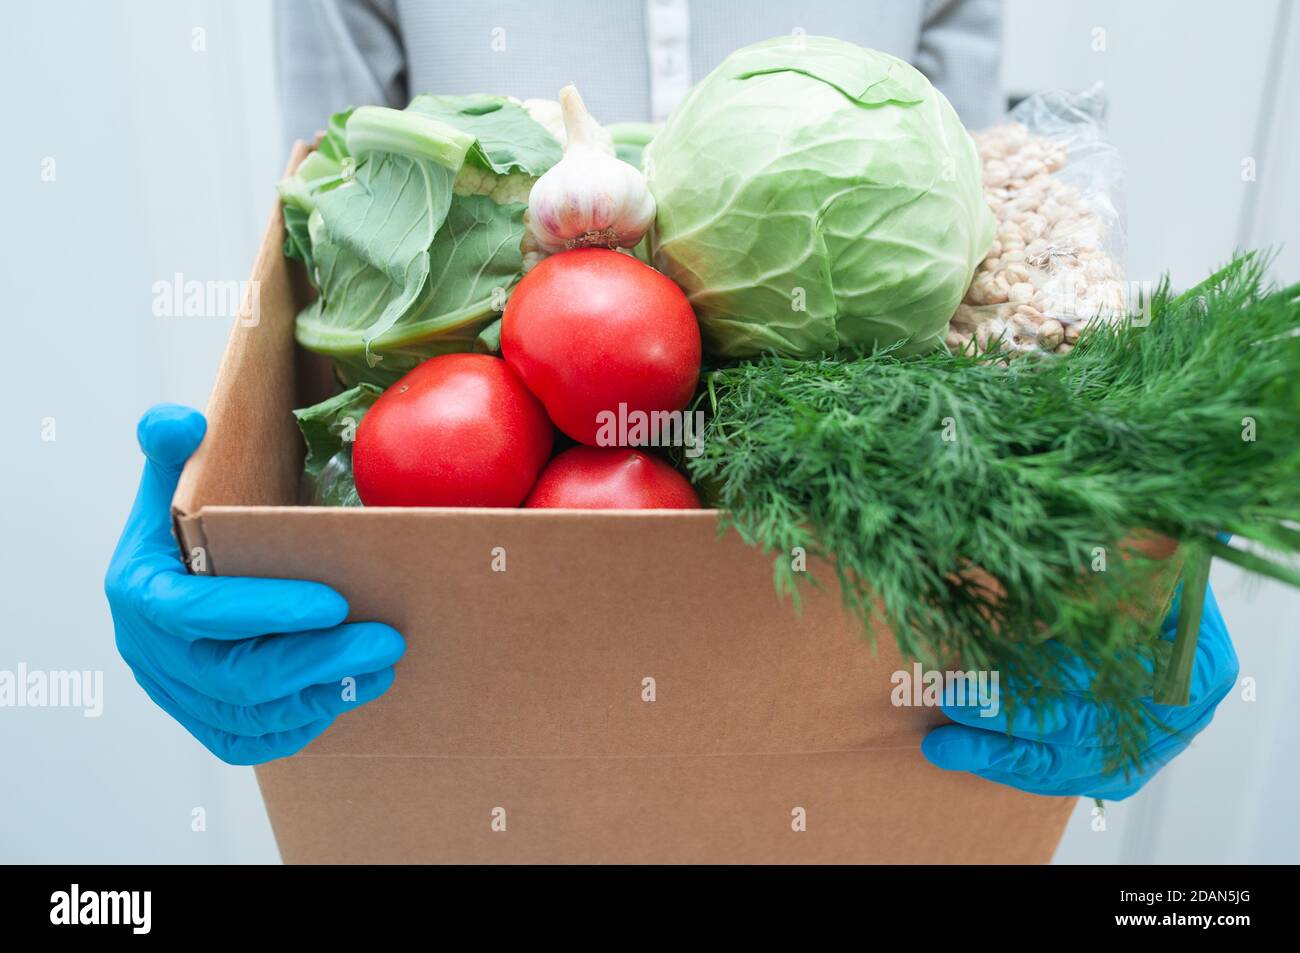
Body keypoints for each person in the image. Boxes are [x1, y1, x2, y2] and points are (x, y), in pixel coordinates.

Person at [106, 0, 1238, 797]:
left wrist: (1115, 543)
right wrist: (234, 505)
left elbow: (962, 189)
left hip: (837, 732)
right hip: (490, 719)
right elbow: (324, 220)